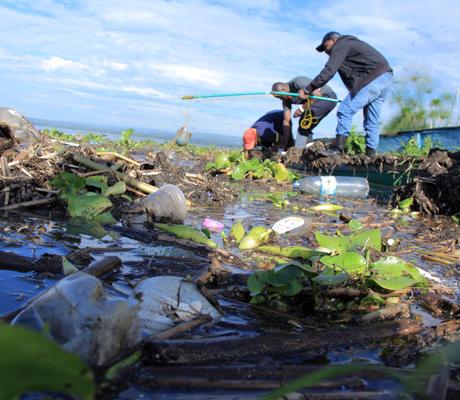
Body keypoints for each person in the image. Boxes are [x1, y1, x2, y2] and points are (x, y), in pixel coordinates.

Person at [299, 32, 393, 156]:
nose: (325, 52)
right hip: (385, 78)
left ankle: (337, 149)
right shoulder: (351, 45)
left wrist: (308, 89)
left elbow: (329, 71)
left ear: (332, 40)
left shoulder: (341, 44)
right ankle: (370, 155)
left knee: (345, 110)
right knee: (371, 120)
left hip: (373, 80)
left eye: (325, 47)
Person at [271, 76, 337, 149]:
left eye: (280, 96)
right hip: (316, 102)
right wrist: (284, 144)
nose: (280, 99)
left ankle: (301, 149)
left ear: (283, 89)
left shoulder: (298, 82)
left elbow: (317, 95)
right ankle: (305, 146)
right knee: (305, 123)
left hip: (327, 97)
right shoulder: (286, 99)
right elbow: (287, 121)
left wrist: (301, 109)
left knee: (305, 120)